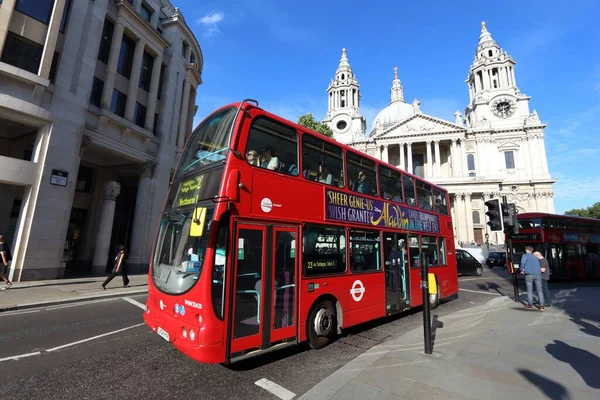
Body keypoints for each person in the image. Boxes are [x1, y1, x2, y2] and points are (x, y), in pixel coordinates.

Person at [520, 246, 544, 310]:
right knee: (540, 290)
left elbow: (522, 263)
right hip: (538, 274)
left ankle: (530, 305)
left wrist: (521, 269)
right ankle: (542, 306)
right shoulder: (535, 257)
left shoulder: (525, 256)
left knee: (529, 290)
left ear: (527, 250)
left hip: (529, 274)